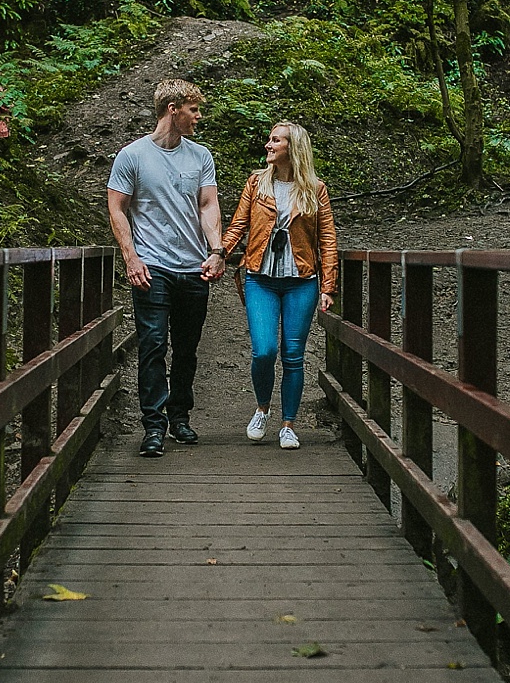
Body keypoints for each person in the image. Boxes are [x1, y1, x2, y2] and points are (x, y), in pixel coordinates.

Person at [107, 79, 227, 458]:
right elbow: (117, 207)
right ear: (173, 108)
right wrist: (131, 257)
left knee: (187, 348)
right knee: (153, 345)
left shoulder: (200, 156)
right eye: (194, 109)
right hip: (153, 265)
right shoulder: (132, 155)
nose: (198, 116)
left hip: (194, 268)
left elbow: (208, 205)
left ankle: (180, 417)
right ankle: (154, 425)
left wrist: (217, 250)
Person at [222, 121, 339, 450]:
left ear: (293, 147)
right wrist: (219, 254)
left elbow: (328, 239)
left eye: (276, 140)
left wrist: (328, 286)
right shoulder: (256, 183)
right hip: (260, 277)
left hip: (302, 281)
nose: (268, 145)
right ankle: (262, 408)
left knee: (292, 355)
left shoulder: (315, 189)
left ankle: (288, 424)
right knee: (264, 350)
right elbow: (238, 226)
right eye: (270, 140)